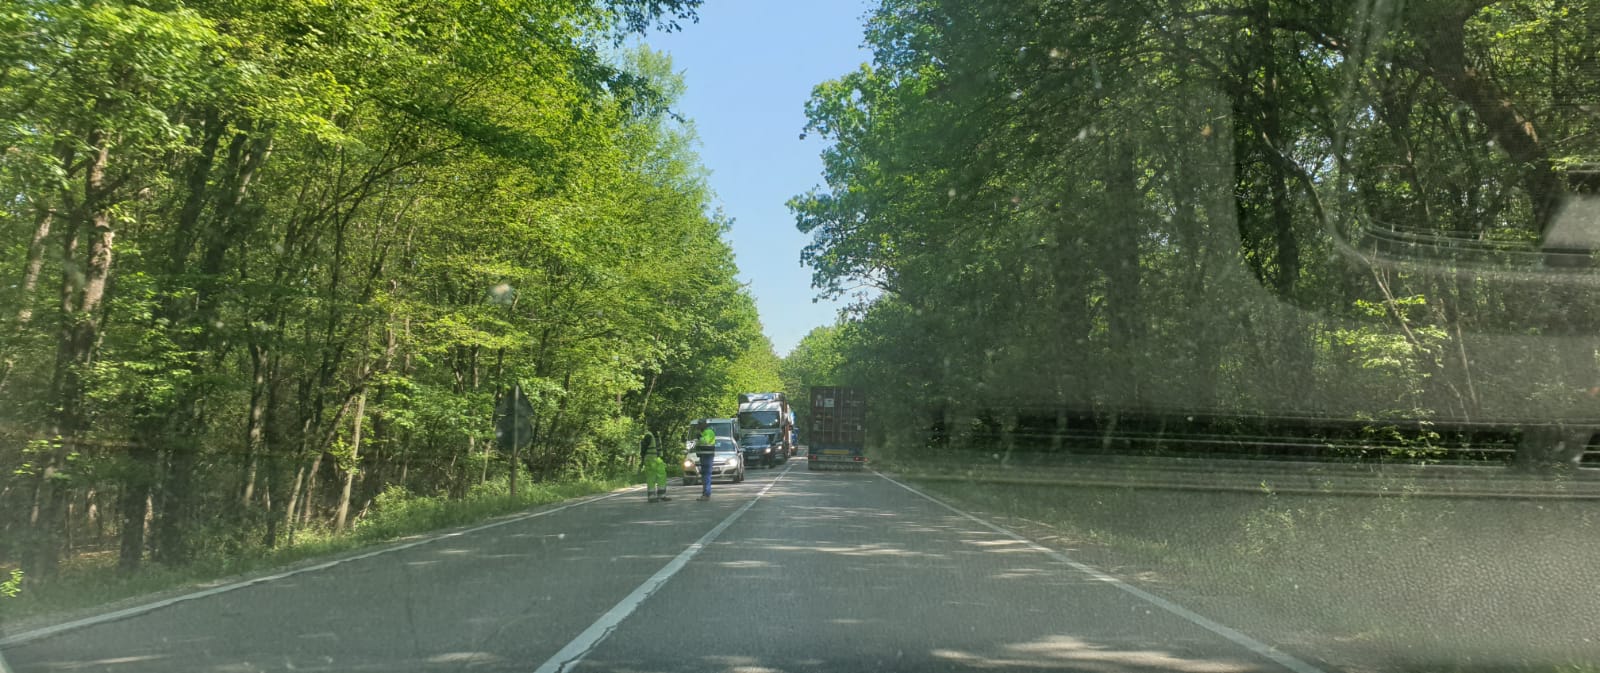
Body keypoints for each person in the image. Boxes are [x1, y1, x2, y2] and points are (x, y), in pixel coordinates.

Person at [695, 426, 717, 500]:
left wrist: (699, 437)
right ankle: (705, 493)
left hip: (707, 456)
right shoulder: (704, 433)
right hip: (704, 456)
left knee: (706, 475)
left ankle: (706, 494)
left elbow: (705, 442)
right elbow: (698, 444)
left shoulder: (708, 432)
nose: (698, 428)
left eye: (699, 426)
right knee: (704, 475)